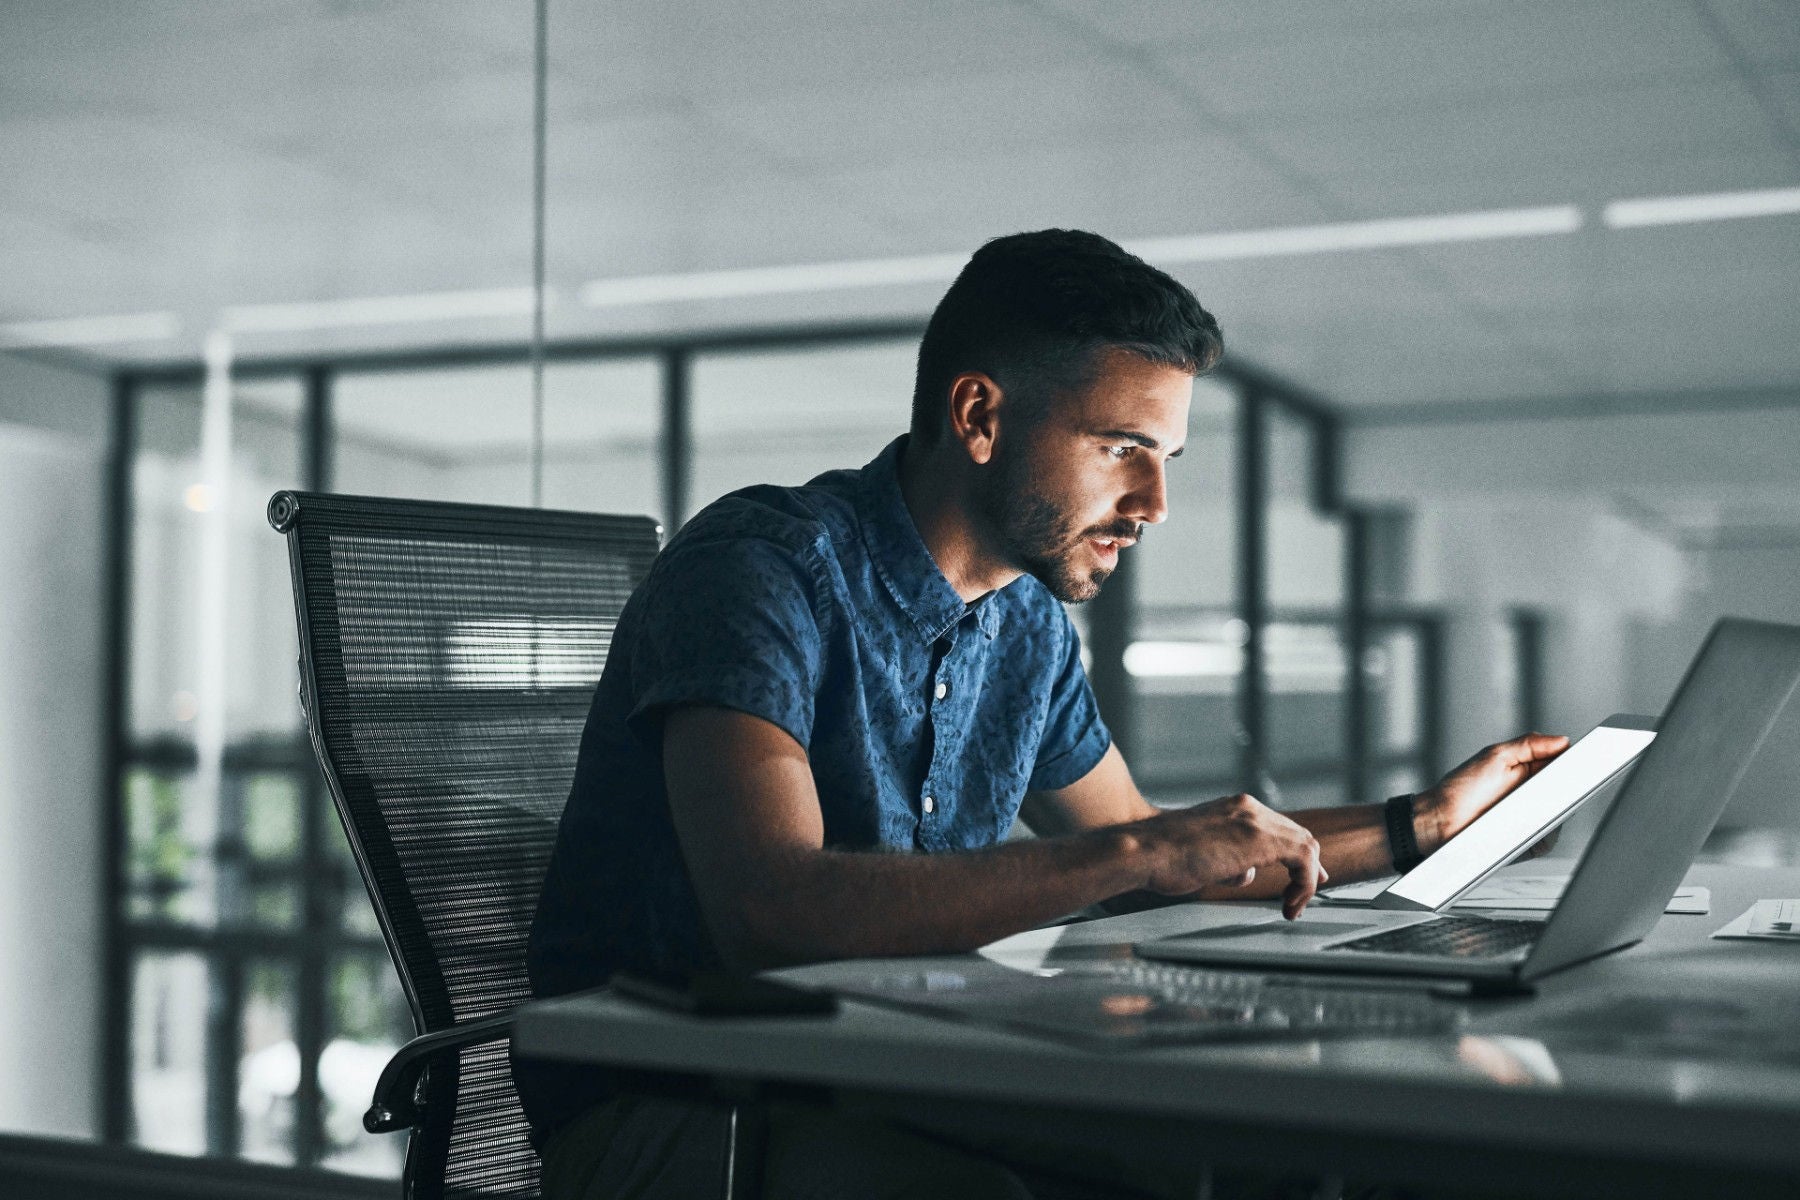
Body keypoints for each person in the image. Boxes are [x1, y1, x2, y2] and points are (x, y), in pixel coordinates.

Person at [515, 229, 1567, 1199]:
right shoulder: (761, 572)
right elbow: (771, 917)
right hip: (677, 1105)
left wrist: (1418, 826)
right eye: (1122, 447)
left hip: (886, 1069)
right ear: (979, 417)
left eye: (1166, 458)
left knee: (1250, 1169)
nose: (1154, 502)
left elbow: (1168, 858)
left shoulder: (1022, 625)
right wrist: (1139, 852)